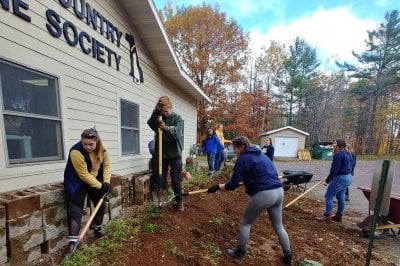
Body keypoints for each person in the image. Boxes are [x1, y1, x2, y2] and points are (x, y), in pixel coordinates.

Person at [207, 136, 292, 265]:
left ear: (242, 147)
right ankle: (288, 256)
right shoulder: (262, 155)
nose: (234, 151)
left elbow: (232, 185)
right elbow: (269, 173)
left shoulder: (243, 159)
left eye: (235, 148)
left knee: (246, 223)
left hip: (264, 194)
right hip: (279, 191)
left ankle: (240, 252)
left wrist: (217, 187)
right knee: (278, 226)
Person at [63, 128, 112, 253]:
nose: (87, 147)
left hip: (94, 177)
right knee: (75, 210)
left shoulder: (102, 148)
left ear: (97, 141)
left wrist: (106, 181)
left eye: (91, 144)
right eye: (84, 144)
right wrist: (100, 186)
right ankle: (73, 242)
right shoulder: (76, 152)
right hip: (76, 180)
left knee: (100, 202)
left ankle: (97, 228)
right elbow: (83, 175)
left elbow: (106, 165)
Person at [147, 96, 185, 212]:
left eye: (166, 111)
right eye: (163, 111)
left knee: (176, 179)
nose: (165, 113)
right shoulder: (159, 117)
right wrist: (156, 112)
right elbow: (150, 123)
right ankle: (162, 202)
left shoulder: (177, 118)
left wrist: (166, 128)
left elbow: (177, 134)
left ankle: (179, 201)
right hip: (162, 155)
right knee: (161, 179)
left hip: (175, 155)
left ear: (171, 107)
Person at [317, 138, 355, 222]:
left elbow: (334, 170)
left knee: (328, 196)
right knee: (340, 196)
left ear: (339, 145)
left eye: (335, 143)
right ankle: (339, 216)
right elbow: (352, 165)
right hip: (348, 177)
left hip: (341, 178)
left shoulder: (338, 155)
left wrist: (327, 181)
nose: (333, 145)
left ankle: (327, 216)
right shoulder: (348, 153)